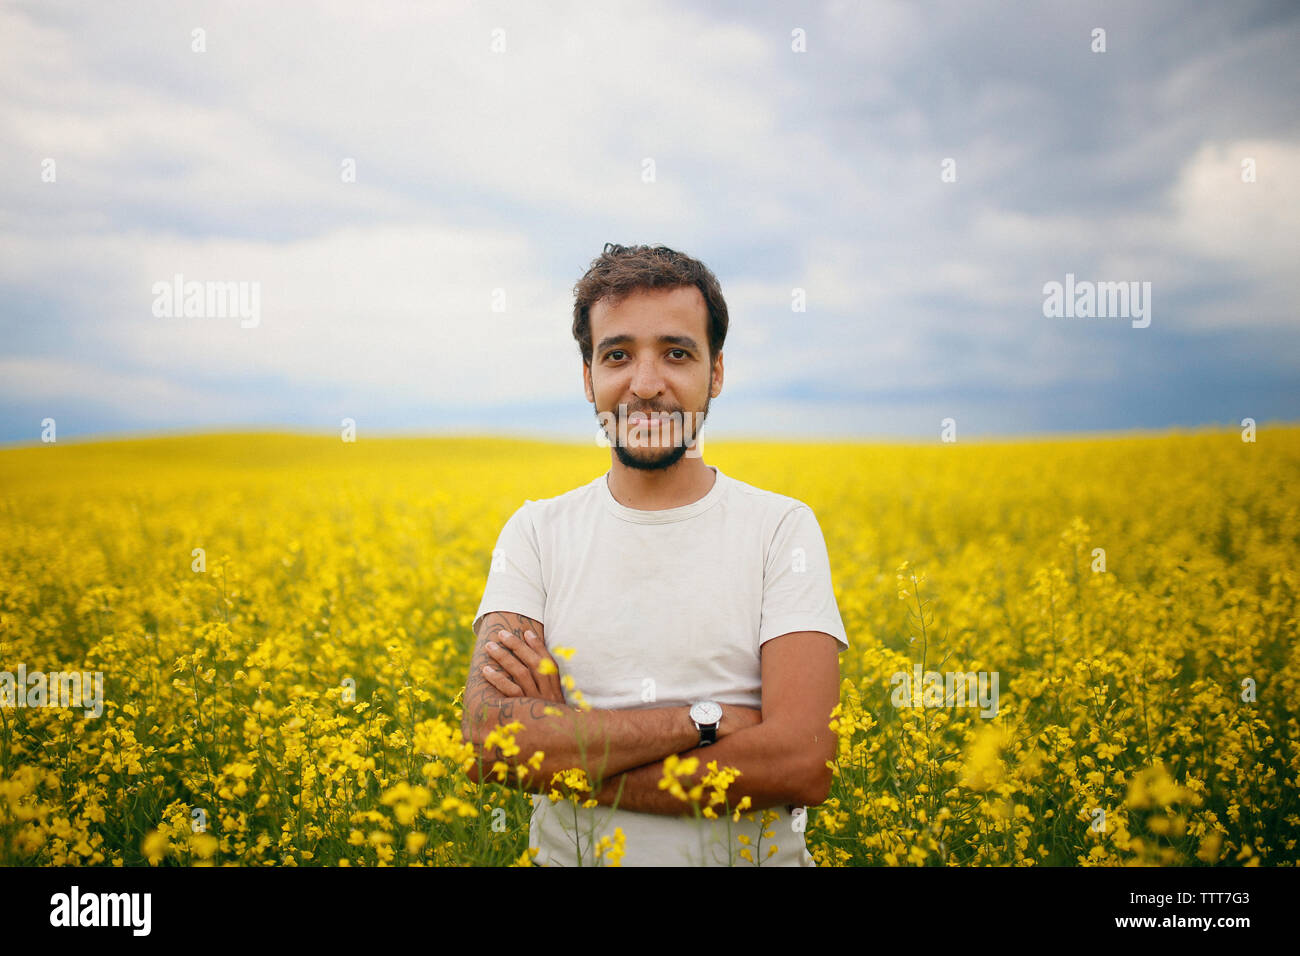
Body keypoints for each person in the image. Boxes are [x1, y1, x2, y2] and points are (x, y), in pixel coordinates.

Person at [460, 242, 848, 866]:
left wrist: (570, 760)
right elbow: (492, 744)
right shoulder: (535, 532)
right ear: (589, 377)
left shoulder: (782, 530)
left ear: (715, 371)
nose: (646, 385)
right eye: (617, 355)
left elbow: (803, 764)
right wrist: (708, 720)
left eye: (676, 353)